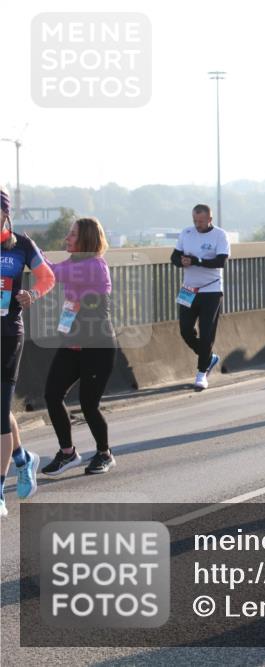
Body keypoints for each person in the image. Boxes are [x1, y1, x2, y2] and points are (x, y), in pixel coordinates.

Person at [40, 217, 120, 476]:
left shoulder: (94, 265)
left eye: (72, 235)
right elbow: (51, 271)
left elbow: (52, 273)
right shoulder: (74, 262)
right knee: (52, 394)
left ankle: (104, 453)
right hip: (72, 342)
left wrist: (31, 251)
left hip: (97, 345)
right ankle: (68, 453)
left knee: (88, 403)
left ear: (85, 238)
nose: (67, 238)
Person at [0, 187, 55, 517]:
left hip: (7, 334)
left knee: (0, 412)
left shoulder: (21, 245)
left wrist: (31, 294)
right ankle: (23, 459)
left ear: (5, 213)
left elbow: (48, 277)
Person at [172, 204, 229, 390]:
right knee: (185, 330)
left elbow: (220, 261)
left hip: (211, 290)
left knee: (206, 333)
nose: (198, 224)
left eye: (201, 221)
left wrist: (197, 261)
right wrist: (182, 261)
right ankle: (209, 356)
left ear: (210, 219)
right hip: (188, 289)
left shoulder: (220, 235)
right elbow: (174, 257)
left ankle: (201, 373)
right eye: (195, 221)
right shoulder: (186, 233)